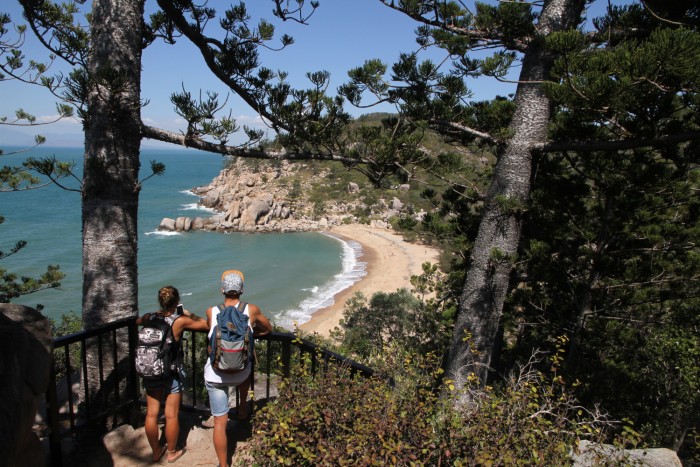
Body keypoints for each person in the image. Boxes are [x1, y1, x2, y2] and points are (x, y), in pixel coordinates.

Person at [204, 269, 272, 467]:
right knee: (246, 371)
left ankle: (223, 464)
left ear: (222, 290)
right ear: (241, 290)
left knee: (219, 422)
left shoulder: (211, 311)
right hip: (241, 371)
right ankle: (243, 412)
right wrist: (251, 335)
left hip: (216, 373)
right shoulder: (252, 310)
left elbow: (210, 332)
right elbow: (268, 328)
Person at [136, 285, 209, 464]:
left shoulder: (150, 317)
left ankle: (155, 452)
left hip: (150, 370)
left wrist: (156, 314)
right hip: (170, 373)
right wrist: (189, 314)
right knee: (171, 415)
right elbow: (207, 325)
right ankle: (171, 452)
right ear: (176, 301)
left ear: (160, 302)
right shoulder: (180, 321)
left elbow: (137, 321)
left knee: (151, 414)